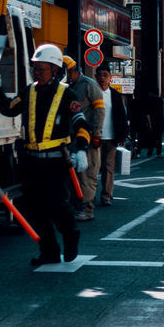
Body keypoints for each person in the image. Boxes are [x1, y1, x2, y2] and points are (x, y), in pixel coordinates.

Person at [0, 44, 91, 266]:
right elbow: (9, 108)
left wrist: (82, 148)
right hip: (31, 162)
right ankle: (49, 251)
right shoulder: (28, 91)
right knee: (34, 210)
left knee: (58, 205)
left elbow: (80, 122)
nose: (37, 73)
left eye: (42, 69)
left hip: (56, 162)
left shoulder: (67, 94)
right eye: (35, 68)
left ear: (55, 70)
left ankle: (71, 234)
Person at [63, 56, 105, 222]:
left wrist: (96, 134)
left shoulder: (88, 85)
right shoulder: (67, 87)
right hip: (70, 139)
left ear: (73, 71)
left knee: (87, 175)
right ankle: (77, 206)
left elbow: (99, 111)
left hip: (86, 136)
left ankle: (87, 209)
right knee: (74, 176)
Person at [92, 67, 128, 207]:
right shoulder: (93, 93)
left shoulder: (115, 95)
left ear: (110, 77)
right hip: (95, 137)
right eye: (99, 75)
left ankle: (106, 195)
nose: (102, 78)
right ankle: (91, 196)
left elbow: (122, 116)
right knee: (94, 167)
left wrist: (123, 135)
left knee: (108, 167)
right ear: (95, 77)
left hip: (111, 136)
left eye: (105, 75)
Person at [132, 90, 164, 157]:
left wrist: (149, 124)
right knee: (158, 138)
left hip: (151, 122)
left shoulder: (148, 101)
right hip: (159, 122)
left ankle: (148, 152)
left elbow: (148, 113)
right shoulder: (160, 100)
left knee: (151, 138)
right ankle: (159, 152)